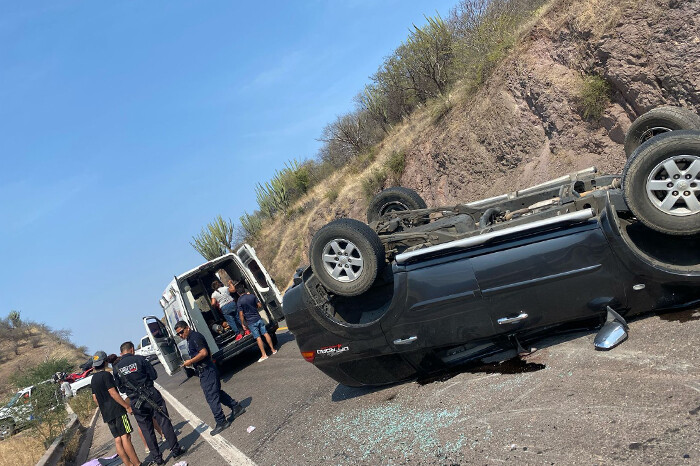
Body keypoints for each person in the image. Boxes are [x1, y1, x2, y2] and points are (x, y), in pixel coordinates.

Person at [114, 341, 185, 465]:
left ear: (122, 352)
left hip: (135, 401)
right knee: (164, 422)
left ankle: (158, 459)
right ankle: (176, 450)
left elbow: (121, 389)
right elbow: (153, 375)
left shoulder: (117, 368)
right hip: (151, 394)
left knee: (147, 430)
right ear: (131, 349)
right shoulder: (140, 359)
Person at [174, 320, 245, 435]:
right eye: (178, 334)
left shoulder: (194, 337)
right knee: (216, 392)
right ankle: (236, 407)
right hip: (205, 370)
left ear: (187, 328)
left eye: (181, 332)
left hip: (207, 370)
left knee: (211, 396)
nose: (180, 335)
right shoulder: (190, 339)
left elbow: (203, 353)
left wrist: (190, 362)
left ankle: (221, 421)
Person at [90, 351, 141, 466]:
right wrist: (126, 406)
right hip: (117, 410)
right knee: (126, 437)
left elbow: (95, 398)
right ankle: (137, 463)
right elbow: (113, 393)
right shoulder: (106, 375)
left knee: (117, 439)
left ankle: (128, 464)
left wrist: (104, 406)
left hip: (106, 413)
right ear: (105, 362)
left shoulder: (93, 379)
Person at [237, 286, 277, 362]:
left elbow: (241, 314)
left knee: (258, 337)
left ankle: (264, 355)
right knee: (265, 333)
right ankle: (273, 350)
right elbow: (259, 305)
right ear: (244, 290)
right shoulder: (252, 296)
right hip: (258, 318)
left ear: (238, 293)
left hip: (251, 322)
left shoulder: (239, 301)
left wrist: (243, 323)